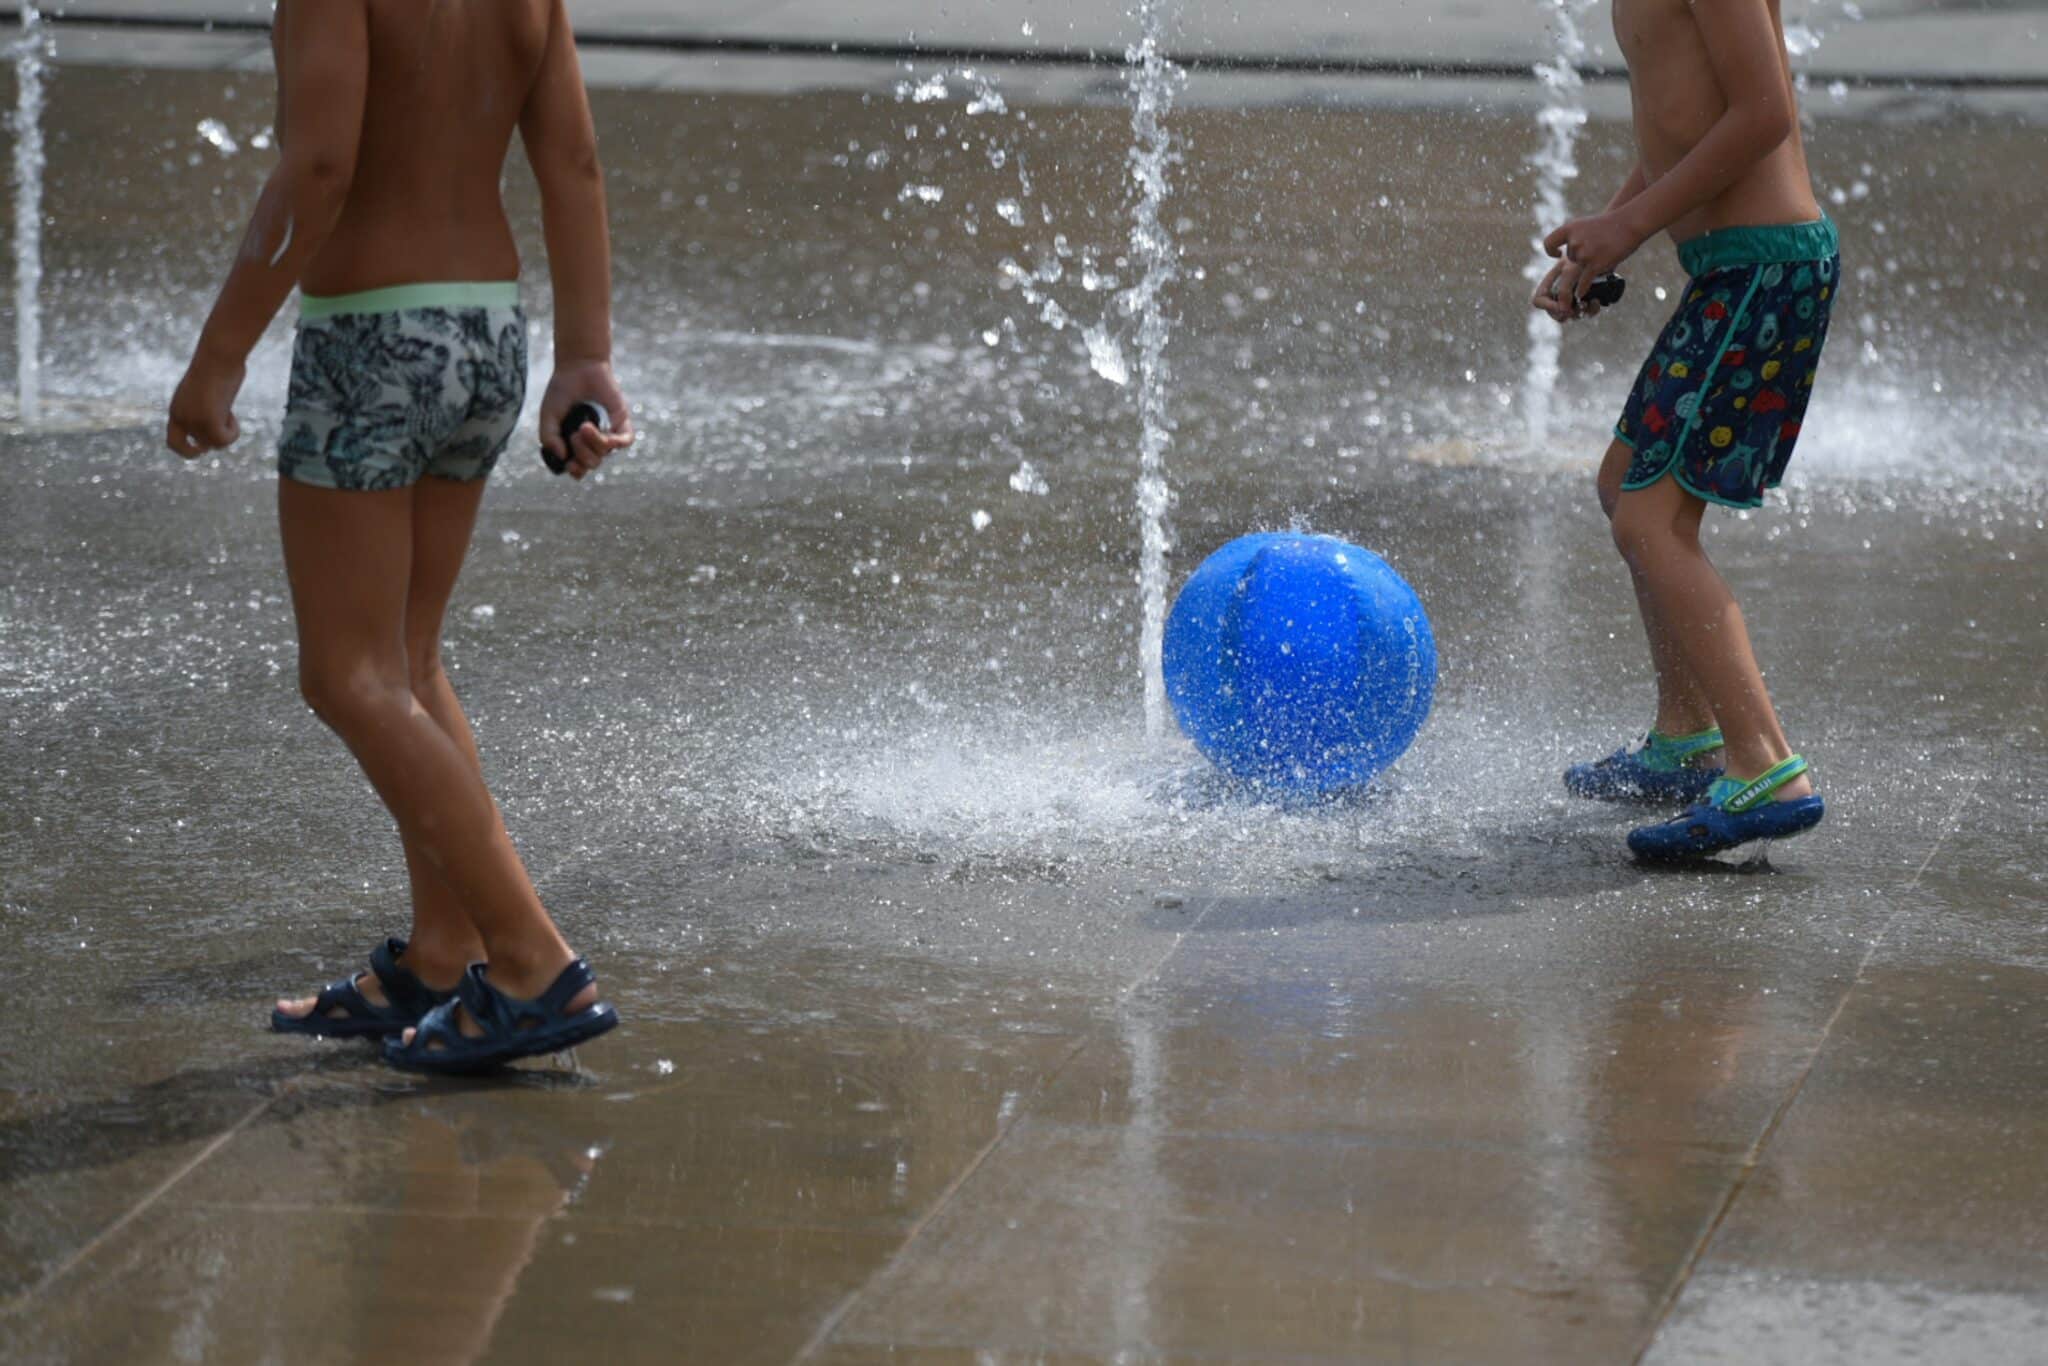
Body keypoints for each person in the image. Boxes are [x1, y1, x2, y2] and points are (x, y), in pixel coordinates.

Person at [166, 0, 633, 1068]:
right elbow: (574, 160)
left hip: (371, 337)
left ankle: (532, 962)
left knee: (349, 677)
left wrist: (220, 356)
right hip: (484, 331)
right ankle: (437, 956)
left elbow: (319, 166)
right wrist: (584, 356)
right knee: (409, 660)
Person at [1533, 0, 1837, 859]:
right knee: (1621, 485)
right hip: (1732, 271)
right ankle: (1687, 735)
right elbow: (1682, 124)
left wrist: (1626, 224)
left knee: (1651, 519)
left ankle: (1767, 767)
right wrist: (1610, 236)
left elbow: (1766, 111)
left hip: (1766, 270)